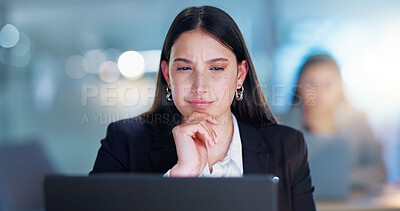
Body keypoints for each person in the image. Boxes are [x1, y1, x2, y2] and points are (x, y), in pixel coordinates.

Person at [90, 6, 315, 210]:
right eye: (185, 68)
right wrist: (179, 177)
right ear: (168, 75)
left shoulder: (287, 147)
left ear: (240, 74)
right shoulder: (124, 142)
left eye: (216, 68)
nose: (200, 87)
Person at [279, 54, 386, 191]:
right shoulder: (281, 125)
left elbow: (379, 171)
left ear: (339, 87)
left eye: (327, 84)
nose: (319, 91)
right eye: (311, 83)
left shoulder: (358, 122)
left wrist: (338, 178)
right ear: (299, 85)